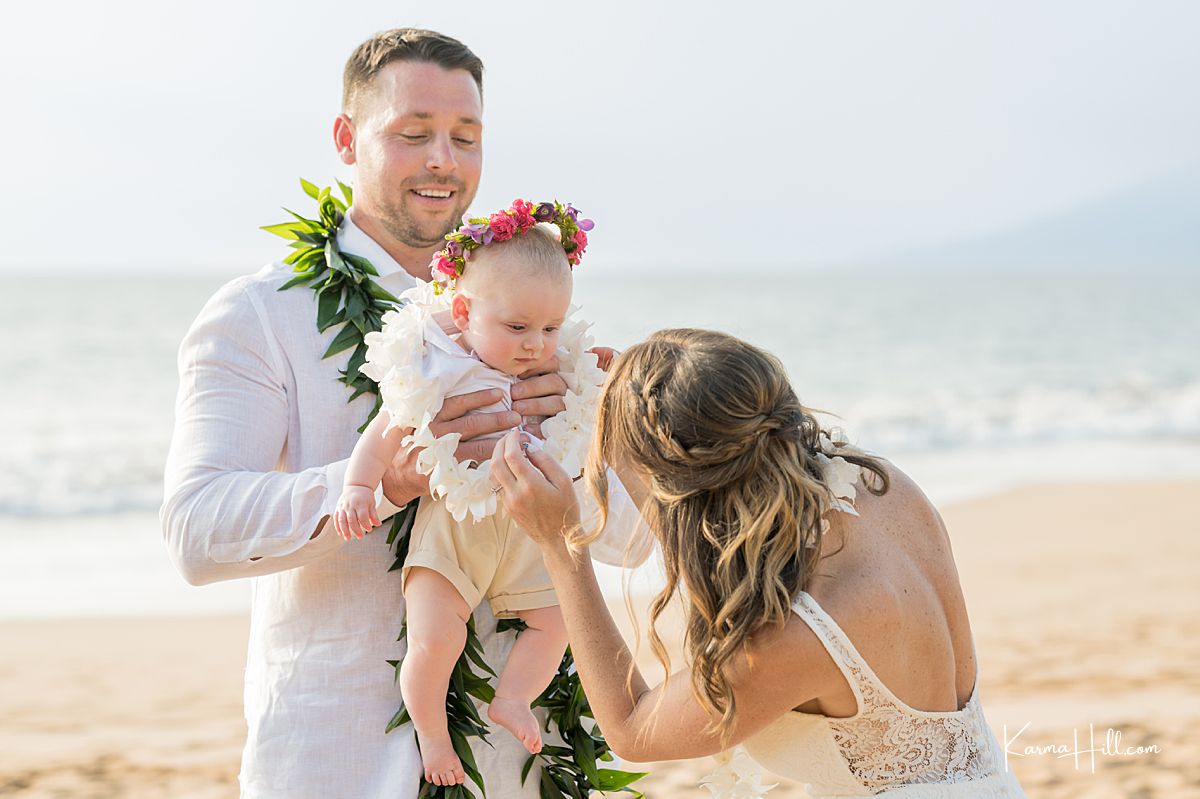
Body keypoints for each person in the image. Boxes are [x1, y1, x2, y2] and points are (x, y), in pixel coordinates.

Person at [160, 29, 641, 799]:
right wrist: (388, 481)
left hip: (518, 759)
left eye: (466, 137)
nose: (444, 160)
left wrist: (591, 447)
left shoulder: (536, 321)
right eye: (413, 134)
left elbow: (633, 542)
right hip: (336, 759)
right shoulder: (259, 315)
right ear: (347, 139)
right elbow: (197, 530)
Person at [489, 328, 1028, 797]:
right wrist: (615, 399)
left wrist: (561, 544)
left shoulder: (802, 633)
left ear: (677, 488)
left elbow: (632, 729)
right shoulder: (880, 485)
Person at [334, 203, 606, 786]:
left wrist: (602, 378)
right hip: (456, 527)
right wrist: (360, 487)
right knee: (435, 639)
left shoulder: (558, 369)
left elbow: (591, 427)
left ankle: (512, 699)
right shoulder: (439, 365)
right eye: (516, 328)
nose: (536, 344)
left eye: (550, 328)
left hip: (530, 527)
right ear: (463, 311)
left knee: (556, 623)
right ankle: (432, 736)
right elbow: (387, 428)